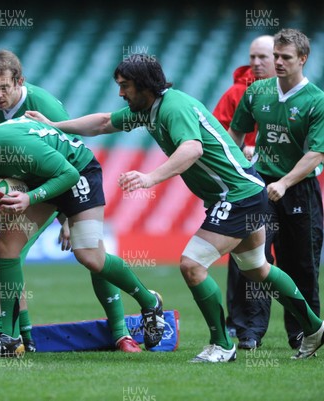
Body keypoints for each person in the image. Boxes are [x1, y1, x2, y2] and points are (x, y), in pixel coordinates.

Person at [26, 54, 324, 361]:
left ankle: (222, 345)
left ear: (144, 85)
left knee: (192, 265)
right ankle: (315, 328)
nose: (120, 93)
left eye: (125, 86)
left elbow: (192, 148)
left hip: (237, 196)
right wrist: (55, 125)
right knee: (257, 268)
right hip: (245, 192)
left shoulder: (173, 107)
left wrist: (150, 177)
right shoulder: (148, 110)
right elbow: (103, 122)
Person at [0, 49, 144, 354]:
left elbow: (69, 160)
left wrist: (68, 218)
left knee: (90, 255)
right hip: (14, 193)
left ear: (20, 81)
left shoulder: (43, 104)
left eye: (4, 87)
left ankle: (121, 332)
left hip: (59, 181)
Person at [0, 117, 165, 359]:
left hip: (76, 172)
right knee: (5, 245)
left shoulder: (17, 146)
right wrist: (3, 214)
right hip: (38, 181)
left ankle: (149, 302)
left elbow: (67, 174)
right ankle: (9, 338)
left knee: (90, 257)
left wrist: (29, 199)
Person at [229, 28, 324, 351]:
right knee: (250, 257)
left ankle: (303, 332)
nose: (279, 62)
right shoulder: (257, 92)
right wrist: (235, 175)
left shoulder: (317, 101)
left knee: (301, 263)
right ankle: (249, 333)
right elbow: (236, 132)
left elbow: (316, 153)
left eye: (286, 57)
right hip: (260, 187)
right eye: (277, 56)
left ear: (302, 59)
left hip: (299, 190)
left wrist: (284, 182)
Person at [213, 35, 276, 350]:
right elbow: (220, 139)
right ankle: (243, 325)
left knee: (292, 258)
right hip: (246, 186)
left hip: (284, 184)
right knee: (247, 256)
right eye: (252, 56)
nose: (256, 63)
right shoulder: (237, 93)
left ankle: (303, 326)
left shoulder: (298, 97)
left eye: (262, 56)